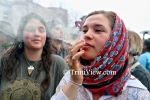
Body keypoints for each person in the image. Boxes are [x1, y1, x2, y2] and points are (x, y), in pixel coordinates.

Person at [51, 10, 150, 100]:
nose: (86, 35)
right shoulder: (71, 76)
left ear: (116, 39)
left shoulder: (137, 93)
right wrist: (74, 82)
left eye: (98, 30)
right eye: (84, 30)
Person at [0, 13, 68, 100]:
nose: (36, 34)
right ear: (21, 34)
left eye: (41, 30)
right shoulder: (4, 61)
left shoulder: (58, 64)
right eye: (30, 29)